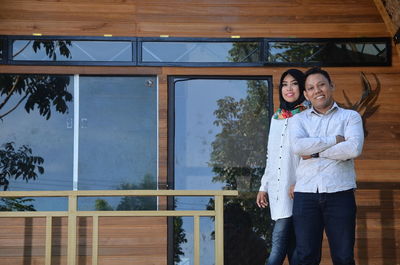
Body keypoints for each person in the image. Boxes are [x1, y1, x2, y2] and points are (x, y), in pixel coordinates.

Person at [289, 67, 364, 265]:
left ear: (331, 86)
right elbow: (298, 146)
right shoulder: (298, 120)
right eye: (311, 88)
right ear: (306, 94)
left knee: (344, 257)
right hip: (305, 195)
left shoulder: (350, 117)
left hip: (340, 193)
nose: (317, 90)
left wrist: (315, 152)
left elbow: (353, 149)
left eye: (321, 84)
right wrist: (334, 140)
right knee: (306, 257)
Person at [257, 68, 308, 265]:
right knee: (292, 247)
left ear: (302, 87)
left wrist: (301, 182)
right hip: (278, 190)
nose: (289, 88)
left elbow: (309, 153)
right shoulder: (276, 118)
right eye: (285, 84)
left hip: (297, 189)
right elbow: (272, 154)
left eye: (294, 83)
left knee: (277, 247)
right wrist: (264, 186)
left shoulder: (307, 115)